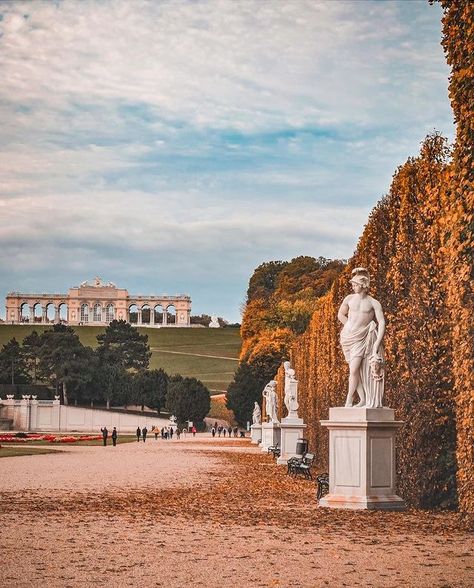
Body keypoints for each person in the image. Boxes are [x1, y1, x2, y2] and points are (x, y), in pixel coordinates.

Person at [337, 267, 386, 408]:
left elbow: (381, 322)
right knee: (355, 370)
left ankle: (349, 401)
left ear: (363, 286)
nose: (352, 287)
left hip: (361, 337)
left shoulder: (373, 303)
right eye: (352, 284)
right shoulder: (349, 299)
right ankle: (363, 399)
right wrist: (348, 326)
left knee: (353, 369)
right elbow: (340, 314)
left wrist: (376, 344)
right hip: (347, 337)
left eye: (355, 284)